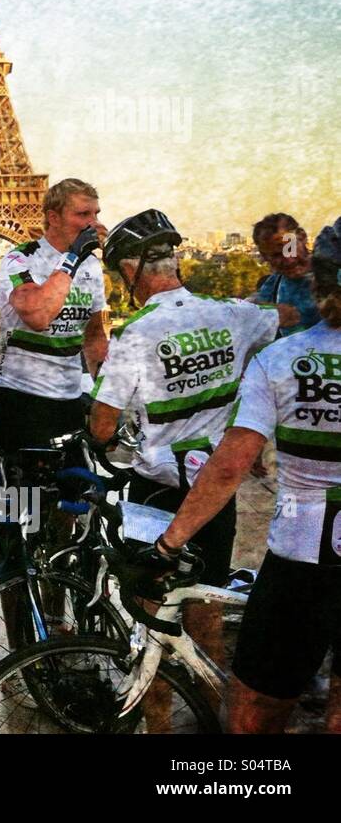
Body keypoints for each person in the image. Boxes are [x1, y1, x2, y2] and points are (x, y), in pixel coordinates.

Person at [141, 216, 341, 735]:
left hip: (304, 556)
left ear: (319, 281)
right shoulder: (273, 304)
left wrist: (167, 544)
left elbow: (228, 466)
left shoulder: (281, 358)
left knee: (253, 713)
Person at [89, 209, 279, 708]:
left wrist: (114, 440)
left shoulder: (136, 334)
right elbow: (290, 317)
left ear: (130, 271)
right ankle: (211, 716)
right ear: (174, 261)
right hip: (214, 490)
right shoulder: (232, 314)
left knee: (152, 625)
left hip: (157, 492)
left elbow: (102, 425)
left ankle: (157, 724)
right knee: (205, 616)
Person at [0, 178, 109, 458]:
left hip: (70, 397)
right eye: (82, 214)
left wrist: (104, 398)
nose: (92, 223)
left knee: (77, 482)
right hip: (21, 398)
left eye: (95, 214)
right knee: (30, 486)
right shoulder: (19, 259)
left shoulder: (91, 266)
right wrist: (72, 257)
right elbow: (38, 316)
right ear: (53, 218)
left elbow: (94, 337)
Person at [251, 212, 320, 338]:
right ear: (265, 256)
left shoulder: (333, 270)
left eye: (290, 248)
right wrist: (268, 314)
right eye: (276, 255)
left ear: (302, 237)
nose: (289, 260)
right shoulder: (272, 287)